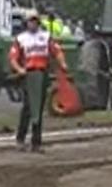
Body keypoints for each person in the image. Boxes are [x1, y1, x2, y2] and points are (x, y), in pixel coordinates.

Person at [8, 13, 68, 152]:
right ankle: (21, 138)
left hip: (42, 73)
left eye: (35, 22)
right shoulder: (21, 39)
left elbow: (57, 51)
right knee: (29, 107)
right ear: (27, 23)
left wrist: (63, 64)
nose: (33, 24)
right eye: (30, 22)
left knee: (39, 108)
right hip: (29, 74)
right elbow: (13, 57)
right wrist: (19, 69)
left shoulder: (45, 37)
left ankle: (36, 142)